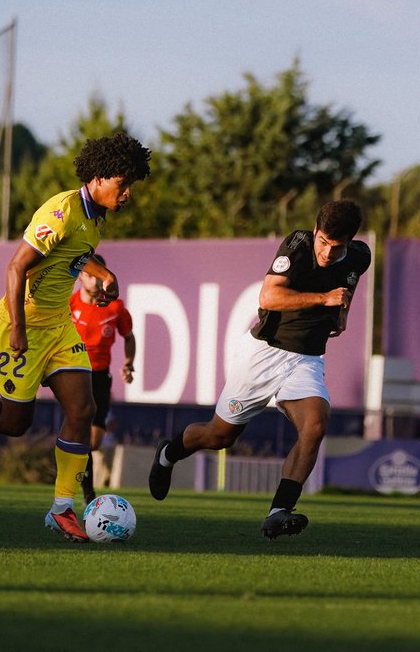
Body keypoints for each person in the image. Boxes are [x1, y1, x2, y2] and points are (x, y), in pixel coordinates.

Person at [0, 132, 151, 543]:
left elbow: (73, 254)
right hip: (20, 326)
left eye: (131, 186)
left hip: (58, 326)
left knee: (83, 408)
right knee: (14, 423)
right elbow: (15, 267)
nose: (127, 194)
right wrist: (19, 329)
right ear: (98, 177)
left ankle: (61, 509)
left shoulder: (94, 216)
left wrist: (103, 273)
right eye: (122, 184)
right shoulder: (61, 210)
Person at [148, 200, 370, 539]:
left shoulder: (360, 256)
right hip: (264, 354)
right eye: (322, 241)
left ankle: (279, 510)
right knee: (220, 436)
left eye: (334, 246)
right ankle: (169, 452)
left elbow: (347, 285)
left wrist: (343, 312)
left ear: (349, 242)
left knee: (315, 425)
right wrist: (324, 299)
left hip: (306, 359)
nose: (325, 251)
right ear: (315, 231)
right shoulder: (296, 246)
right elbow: (268, 298)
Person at [69, 252, 136, 505]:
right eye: (91, 276)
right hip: (75, 375)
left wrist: (128, 363)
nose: (97, 283)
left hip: (101, 376)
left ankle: (75, 467)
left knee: (94, 442)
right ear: (81, 277)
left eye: (100, 277)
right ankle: (88, 494)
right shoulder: (70, 305)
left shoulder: (115, 308)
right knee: (81, 430)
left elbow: (128, 336)